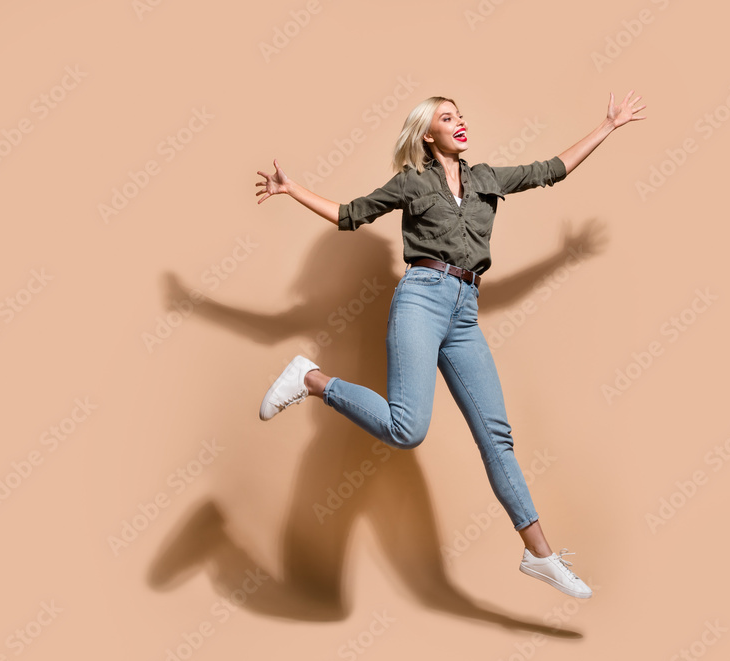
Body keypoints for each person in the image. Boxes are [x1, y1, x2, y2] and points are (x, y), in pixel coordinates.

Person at [254, 91, 646, 598]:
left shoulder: (486, 179)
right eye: (447, 118)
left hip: (464, 310)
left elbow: (551, 169)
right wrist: (291, 189)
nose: (459, 123)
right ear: (427, 134)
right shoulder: (412, 183)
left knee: (496, 437)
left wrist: (608, 126)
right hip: (421, 297)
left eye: (460, 116)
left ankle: (540, 554)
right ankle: (311, 378)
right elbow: (349, 215)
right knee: (407, 428)